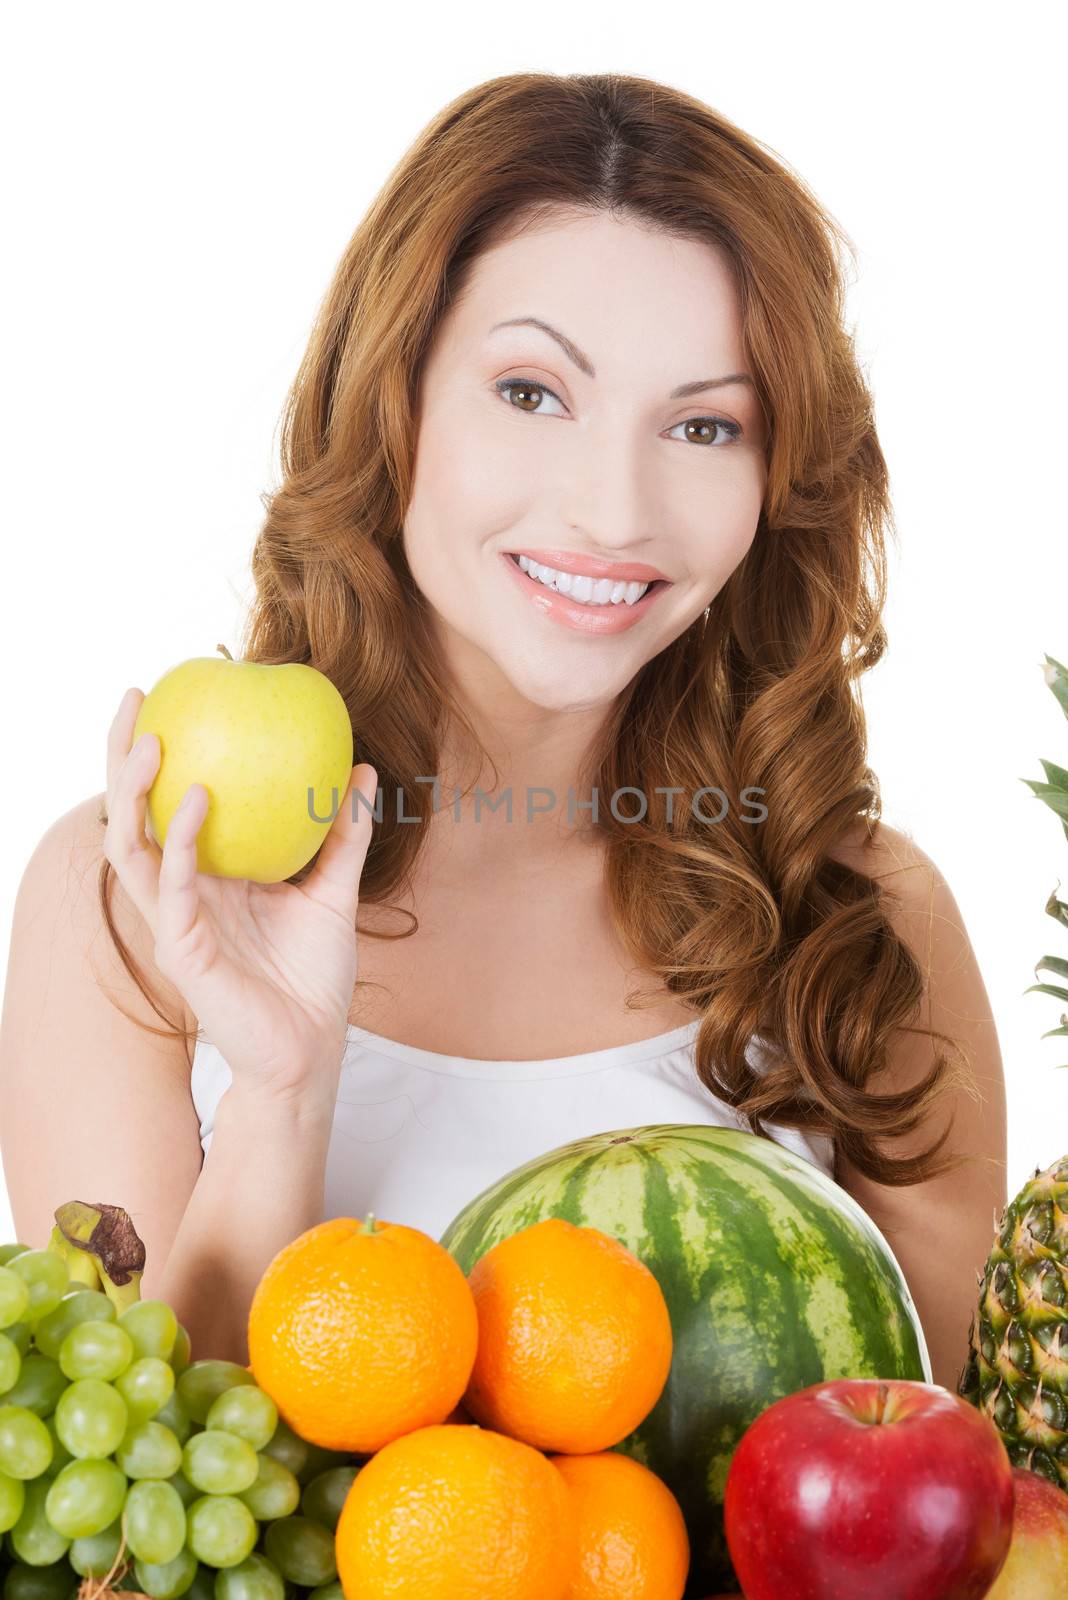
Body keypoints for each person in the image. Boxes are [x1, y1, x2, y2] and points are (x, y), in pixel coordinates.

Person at [0, 72, 1006, 1385]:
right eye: (534, 393)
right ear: (394, 400)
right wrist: (283, 1092)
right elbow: (142, 1545)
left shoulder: (859, 920)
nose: (612, 509)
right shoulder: (137, 895)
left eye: (705, 424)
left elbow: (956, 1523)